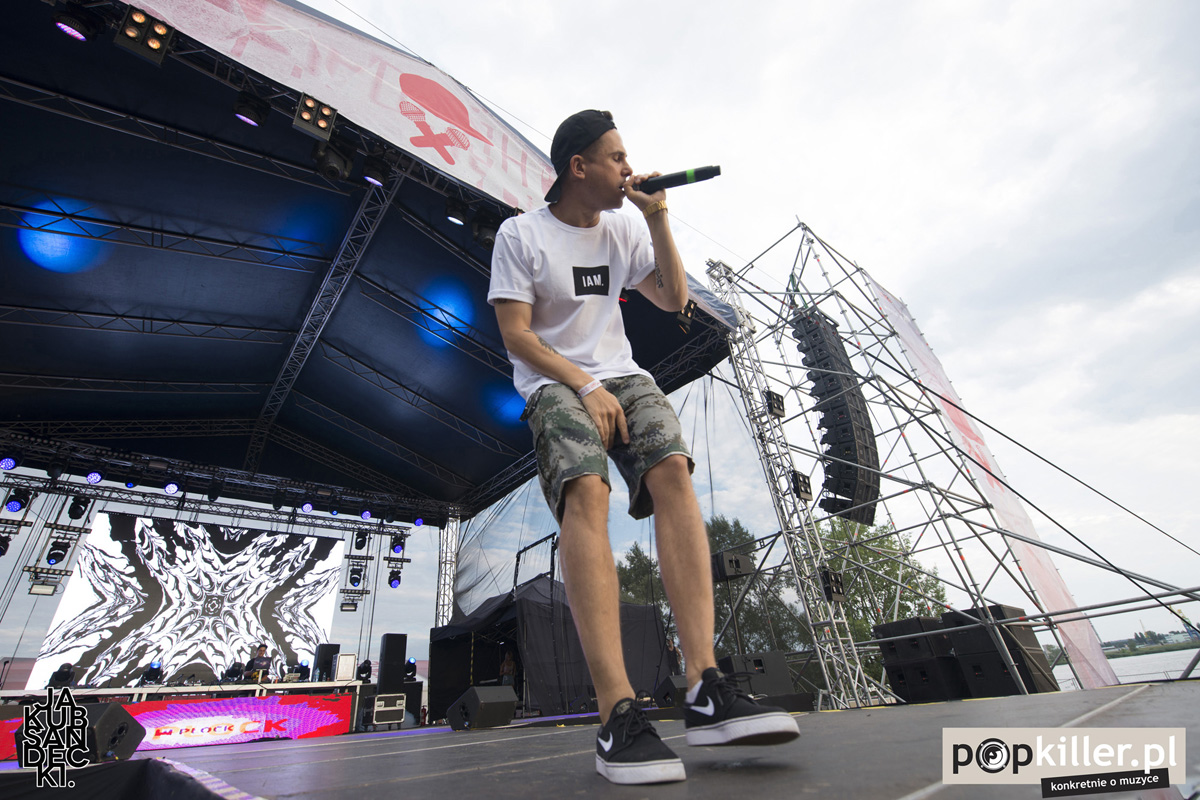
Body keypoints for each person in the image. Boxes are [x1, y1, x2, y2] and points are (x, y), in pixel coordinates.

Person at [488, 109, 799, 786]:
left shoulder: (625, 226)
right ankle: (617, 714)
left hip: (623, 376)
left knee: (674, 472)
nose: (629, 168)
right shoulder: (522, 235)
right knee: (587, 489)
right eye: (618, 158)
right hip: (554, 381)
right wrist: (583, 385)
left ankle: (705, 685)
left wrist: (658, 218)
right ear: (579, 167)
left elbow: (675, 298)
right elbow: (516, 334)